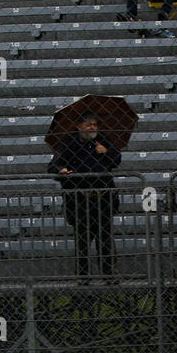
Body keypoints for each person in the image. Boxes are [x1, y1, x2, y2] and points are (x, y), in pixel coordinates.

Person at [49, 116, 121, 277]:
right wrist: (63, 170)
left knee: (106, 240)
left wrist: (106, 152)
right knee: (82, 242)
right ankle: (83, 276)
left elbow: (116, 160)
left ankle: (109, 274)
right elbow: (53, 165)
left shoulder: (103, 140)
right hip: (79, 201)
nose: (92, 127)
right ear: (79, 126)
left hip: (103, 199)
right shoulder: (69, 143)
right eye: (88, 124)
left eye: (95, 124)